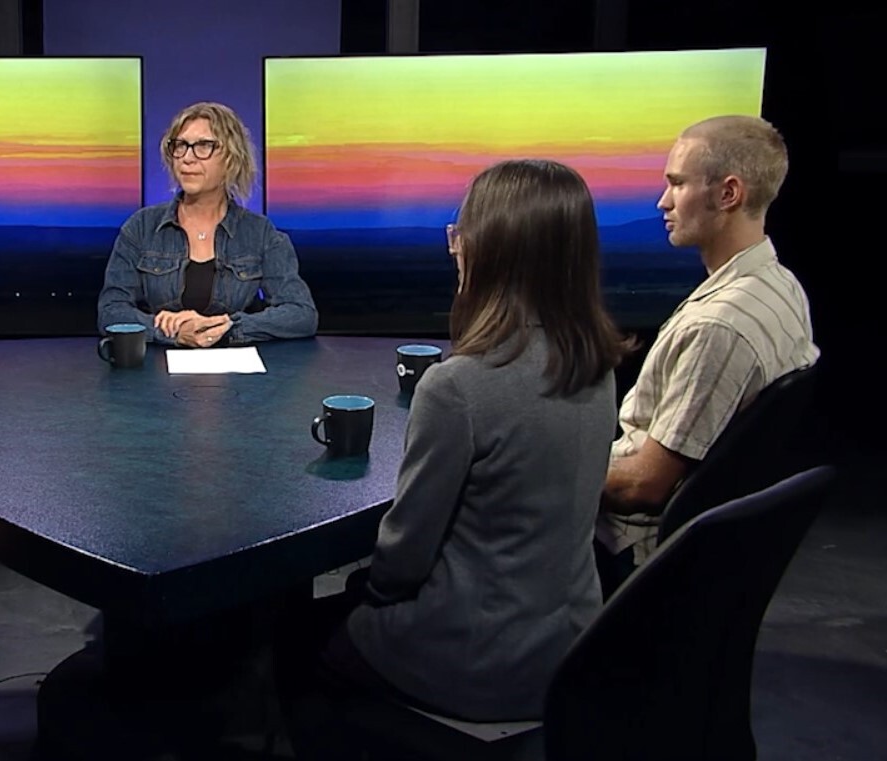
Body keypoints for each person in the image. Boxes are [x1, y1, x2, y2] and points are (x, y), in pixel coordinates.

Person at [275, 159, 632, 752]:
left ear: (493, 252)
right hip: (571, 648)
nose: (454, 247)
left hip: (473, 660)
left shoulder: (458, 386)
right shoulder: (594, 366)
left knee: (290, 634)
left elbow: (402, 561)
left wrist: (371, 589)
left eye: (461, 232)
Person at [594, 115, 820, 594]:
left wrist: (553, 471)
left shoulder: (718, 328)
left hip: (627, 549)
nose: (663, 201)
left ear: (728, 194)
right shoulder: (781, 288)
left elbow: (644, 487)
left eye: (677, 184)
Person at [96, 101, 317, 347]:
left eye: (204, 146)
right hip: (154, 372)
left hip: (238, 377)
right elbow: (111, 310)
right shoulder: (142, 227)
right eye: (179, 146)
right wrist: (172, 331)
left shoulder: (260, 233)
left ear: (232, 158)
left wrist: (226, 327)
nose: (187, 158)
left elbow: (301, 314)